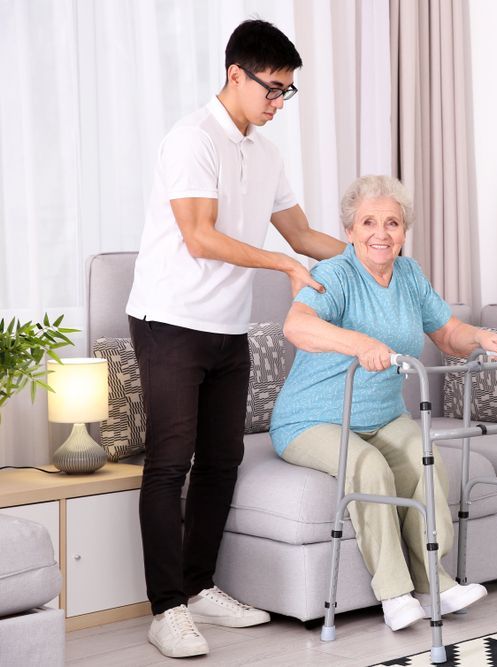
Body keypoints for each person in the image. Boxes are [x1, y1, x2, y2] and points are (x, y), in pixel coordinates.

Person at [125, 20, 347, 658]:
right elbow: (200, 235)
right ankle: (165, 609)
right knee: (171, 463)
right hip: (169, 320)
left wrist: (369, 254)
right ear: (235, 75)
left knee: (223, 461)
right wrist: (282, 267)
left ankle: (197, 591)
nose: (279, 103)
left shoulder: (266, 152)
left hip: (226, 325)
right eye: (272, 90)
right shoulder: (191, 139)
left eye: (287, 93)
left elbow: (303, 236)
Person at [269, 175, 497, 631]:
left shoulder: (409, 274)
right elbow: (296, 326)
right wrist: (358, 342)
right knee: (369, 468)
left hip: (382, 415)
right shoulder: (334, 275)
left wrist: (481, 338)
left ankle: (434, 583)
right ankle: (394, 595)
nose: (381, 233)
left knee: (427, 462)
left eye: (392, 223)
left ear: (404, 231)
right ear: (349, 231)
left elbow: (446, 333)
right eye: (368, 222)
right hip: (313, 419)